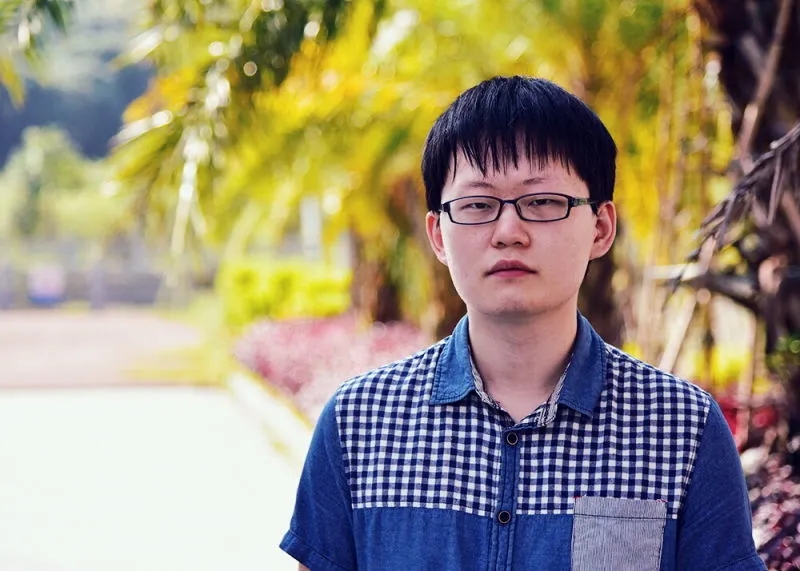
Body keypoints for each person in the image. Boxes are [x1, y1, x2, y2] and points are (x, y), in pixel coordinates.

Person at [280, 76, 765, 570]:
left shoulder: (682, 430)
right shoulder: (359, 423)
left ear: (601, 228)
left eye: (543, 202)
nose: (508, 232)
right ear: (439, 235)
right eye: (477, 205)